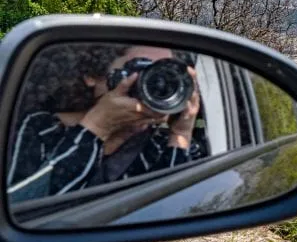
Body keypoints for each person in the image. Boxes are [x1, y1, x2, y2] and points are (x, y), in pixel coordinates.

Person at [7, 44, 202, 203]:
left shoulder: (165, 145)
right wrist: (98, 126)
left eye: (165, 74)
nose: (155, 82)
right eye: (142, 67)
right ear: (93, 75)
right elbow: (22, 206)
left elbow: (173, 210)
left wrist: (181, 134)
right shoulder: (40, 128)